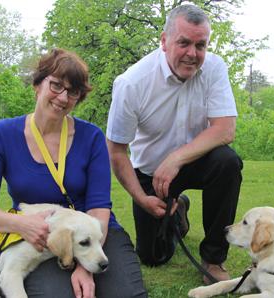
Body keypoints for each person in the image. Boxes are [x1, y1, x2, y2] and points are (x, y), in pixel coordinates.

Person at [0, 48, 147, 298]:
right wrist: (23, 225)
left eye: (73, 91)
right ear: (38, 85)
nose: (63, 98)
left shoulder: (92, 137)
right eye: (56, 85)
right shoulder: (1, 134)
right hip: (41, 236)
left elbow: (98, 209)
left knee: (127, 295)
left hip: (96, 235)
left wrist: (86, 268)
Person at [106, 4, 243, 285]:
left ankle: (214, 257)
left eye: (200, 45)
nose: (192, 54)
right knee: (153, 256)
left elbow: (225, 129)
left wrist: (176, 159)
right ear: (164, 41)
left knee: (228, 163)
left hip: (198, 162)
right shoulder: (131, 83)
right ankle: (178, 208)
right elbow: (117, 151)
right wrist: (141, 198)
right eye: (184, 43)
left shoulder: (215, 68)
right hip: (149, 171)